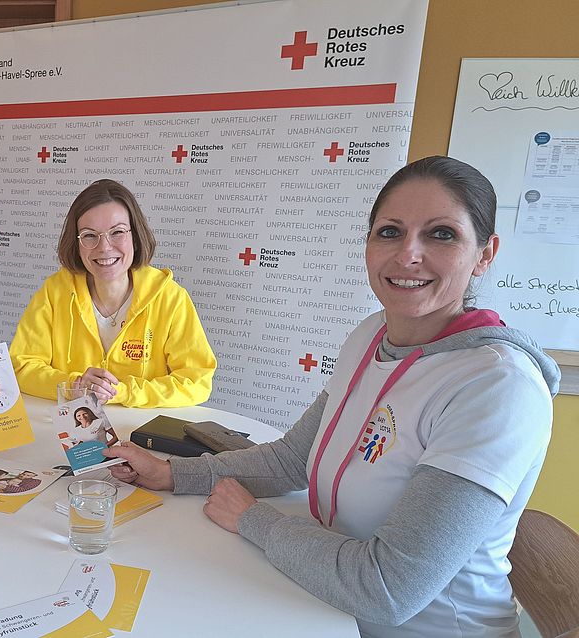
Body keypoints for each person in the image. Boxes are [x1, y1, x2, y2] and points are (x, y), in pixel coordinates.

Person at [104, 156, 560, 638]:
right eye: (389, 232)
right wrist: (173, 473)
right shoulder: (371, 335)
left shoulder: (496, 387)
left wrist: (254, 520)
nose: (408, 254)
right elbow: (291, 459)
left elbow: (388, 588)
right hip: (321, 601)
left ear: (485, 253)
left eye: (441, 234)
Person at [11, 179, 217, 407]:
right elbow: (22, 366)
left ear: (135, 237)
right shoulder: (54, 292)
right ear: (76, 244)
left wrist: (122, 392)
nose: (105, 247)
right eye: (90, 235)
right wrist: (75, 385)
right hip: (71, 435)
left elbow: (197, 382)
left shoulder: (170, 297)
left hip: (139, 435)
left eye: (117, 232)